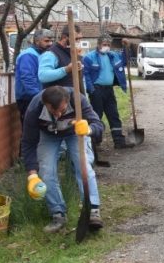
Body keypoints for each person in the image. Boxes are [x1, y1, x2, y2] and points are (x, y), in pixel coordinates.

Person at [21, 86, 104, 233]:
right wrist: (32, 175)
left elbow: (98, 125)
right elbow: (28, 143)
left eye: (62, 110)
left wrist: (88, 129)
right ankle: (57, 214)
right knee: (46, 172)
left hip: (75, 133)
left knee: (83, 166)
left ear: (67, 101)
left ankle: (93, 210)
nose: (58, 115)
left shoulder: (78, 100)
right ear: (45, 103)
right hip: (48, 136)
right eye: (54, 111)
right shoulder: (34, 109)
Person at [83, 34, 134, 149]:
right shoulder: (89, 57)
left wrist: (126, 47)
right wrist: (91, 90)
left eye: (108, 45)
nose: (106, 47)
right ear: (99, 44)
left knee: (114, 115)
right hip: (97, 90)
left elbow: (125, 60)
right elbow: (86, 75)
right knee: (96, 116)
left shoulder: (113, 56)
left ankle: (119, 141)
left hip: (109, 90)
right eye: (104, 45)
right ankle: (95, 143)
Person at [14, 29, 54, 122]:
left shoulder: (42, 54)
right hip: (28, 98)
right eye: (46, 41)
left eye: (51, 41)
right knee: (30, 127)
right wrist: (38, 97)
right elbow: (28, 78)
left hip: (39, 96)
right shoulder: (28, 55)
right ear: (37, 41)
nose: (50, 44)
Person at [39, 24, 84, 88]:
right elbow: (43, 76)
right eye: (76, 39)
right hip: (56, 96)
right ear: (64, 37)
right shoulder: (51, 53)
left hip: (73, 95)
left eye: (80, 39)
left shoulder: (73, 52)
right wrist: (66, 69)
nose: (79, 41)